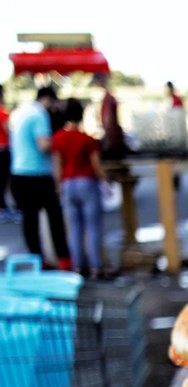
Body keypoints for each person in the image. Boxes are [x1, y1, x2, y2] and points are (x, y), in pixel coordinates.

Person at [9, 86, 70, 269]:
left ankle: (37, 260)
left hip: (18, 173)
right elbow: (44, 145)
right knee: (55, 218)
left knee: (30, 220)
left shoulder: (19, 113)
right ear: (48, 100)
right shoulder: (39, 115)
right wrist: (59, 146)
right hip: (37, 174)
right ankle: (63, 260)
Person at [51, 98, 106, 278]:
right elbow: (97, 166)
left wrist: (58, 186)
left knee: (74, 228)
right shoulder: (87, 139)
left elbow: (57, 165)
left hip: (68, 184)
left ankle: (77, 267)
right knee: (93, 227)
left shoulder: (58, 138)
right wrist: (105, 180)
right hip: (87, 183)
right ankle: (96, 267)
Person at [95, 72, 128, 160]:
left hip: (112, 135)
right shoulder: (108, 96)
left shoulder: (108, 97)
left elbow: (109, 117)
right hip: (112, 134)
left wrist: (108, 135)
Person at [0, 85, 14, 223]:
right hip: (3, 151)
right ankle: (3, 207)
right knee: (4, 181)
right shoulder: (3, 113)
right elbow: (9, 131)